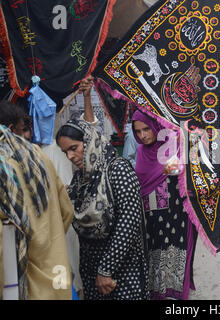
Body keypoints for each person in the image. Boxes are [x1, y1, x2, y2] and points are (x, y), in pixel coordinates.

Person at [56, 119, 149, 300]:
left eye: (73, 148)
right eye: (65, 152)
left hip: (122, 271)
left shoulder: (118, 170)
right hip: (91, 272)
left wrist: (106, 269)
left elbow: (129, 224)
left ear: (90, 141)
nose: (70, 157)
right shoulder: (79, 180)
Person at [0, 109, 74, 299]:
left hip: (17, 283)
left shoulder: (3, 167)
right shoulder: (41, 158)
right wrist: (51, 239)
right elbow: (67, 212)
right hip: (55, 273)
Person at [132, 109, 197, 300]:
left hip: (177, 213)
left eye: (146, 129)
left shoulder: (175, 144)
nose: (142, 135)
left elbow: (192, 171)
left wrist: (178, 168)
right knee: (156, 254)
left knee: (177, 250)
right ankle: (159, 292)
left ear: (155, 126)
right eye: (138, 131)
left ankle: (176, 291)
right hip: (152, 217)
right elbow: (140, 183)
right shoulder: (141, 153)